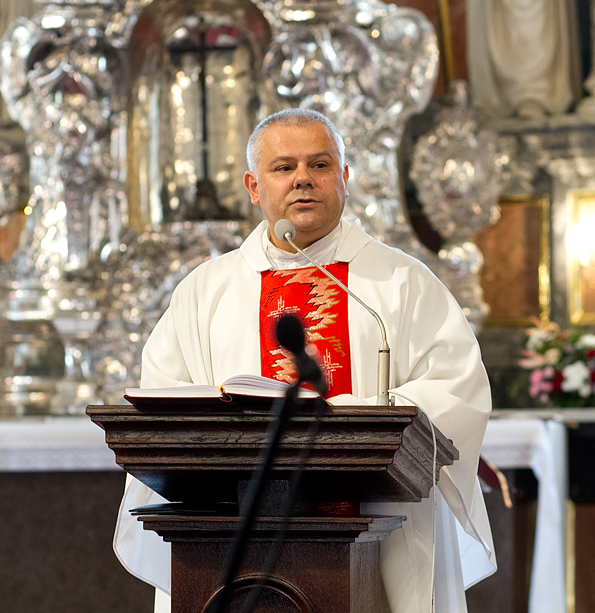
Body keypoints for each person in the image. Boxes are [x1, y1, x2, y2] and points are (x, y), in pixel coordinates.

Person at [113, 108, 496, 612]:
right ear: (254, 186)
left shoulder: (401, 282)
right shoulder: (206, 292)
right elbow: (166, 401)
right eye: (283, 167)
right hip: (229, 525)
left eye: (319, 164)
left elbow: (456, 388)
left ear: (344, 178)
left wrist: (361, 419)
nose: (302, 180)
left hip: (378, 522)